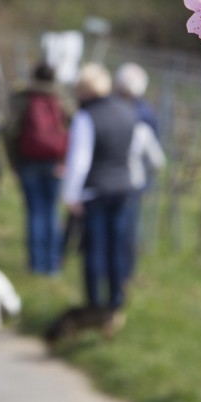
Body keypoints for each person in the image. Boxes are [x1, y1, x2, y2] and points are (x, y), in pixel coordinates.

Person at [61, 63, 136, 312]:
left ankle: (94, 304)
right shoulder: (127, 111)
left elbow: (79, 160)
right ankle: (115, 301)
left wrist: (71, 195)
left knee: (94, 247)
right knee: (116, 245)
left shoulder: (86, 116)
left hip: (96, 189)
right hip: (123, 187)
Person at [4, 62, 73, 275]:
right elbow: (75, 126)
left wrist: (14, 160)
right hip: (55, 162)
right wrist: (66, 158)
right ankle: (52, 265)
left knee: (34, 212)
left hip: (28, 161)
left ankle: (35, 264)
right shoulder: (63, 100)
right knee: (52, 211)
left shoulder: (23, 98)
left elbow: (8, 130)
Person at [114, 63, 165, 278]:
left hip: (117, 178)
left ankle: (118, 271)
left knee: (120, 229)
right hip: (134, 181)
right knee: (127, 229)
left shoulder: (119, 109)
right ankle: (123, 272)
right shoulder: (148, 113)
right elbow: (155, 156)